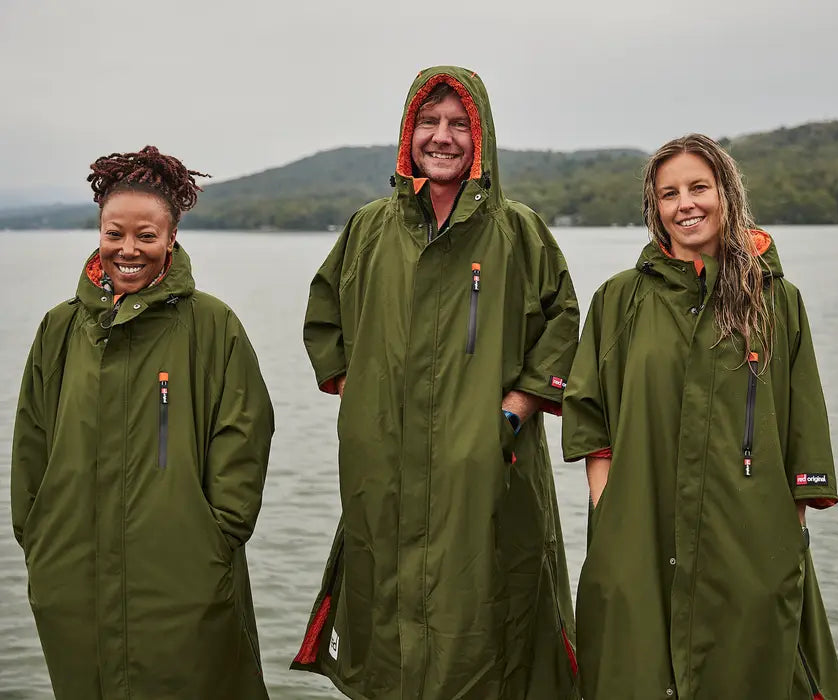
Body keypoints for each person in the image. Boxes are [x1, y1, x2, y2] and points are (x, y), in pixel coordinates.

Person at [293, 66, 581, 699]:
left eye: (458, 123)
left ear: (481, 137)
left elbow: (562, 324)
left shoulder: (518, 232)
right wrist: (361, 398)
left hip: (487, 465)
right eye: (429, 122)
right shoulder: (369, 228)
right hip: (386, 467)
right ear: (407, 134)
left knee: (484, 616)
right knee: (389, 616)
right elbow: (323, 316)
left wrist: (510, 412)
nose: (442, 137)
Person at [562, 134, 838, 699]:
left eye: (699, 187)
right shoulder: (619, 301)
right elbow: (587, 412)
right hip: (637, 526)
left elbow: (803, 426)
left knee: (751, 668)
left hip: (750, 531)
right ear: (654, 208)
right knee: (633, 668)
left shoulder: (775, 300)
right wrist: (610, 502)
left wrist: (790, 533)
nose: (685, 204)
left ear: (727, 193)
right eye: (669, 194)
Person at [11, 146, 274, 699]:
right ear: (100, 232)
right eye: (114, 233)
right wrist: (38, 537)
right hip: (73, 577)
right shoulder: (59, 329)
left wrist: (215, 536)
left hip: (183, 577)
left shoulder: (212, 325)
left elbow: (244, 437)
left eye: (146, 236)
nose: (128, 249)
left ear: (171, 237)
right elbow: (31, 440)